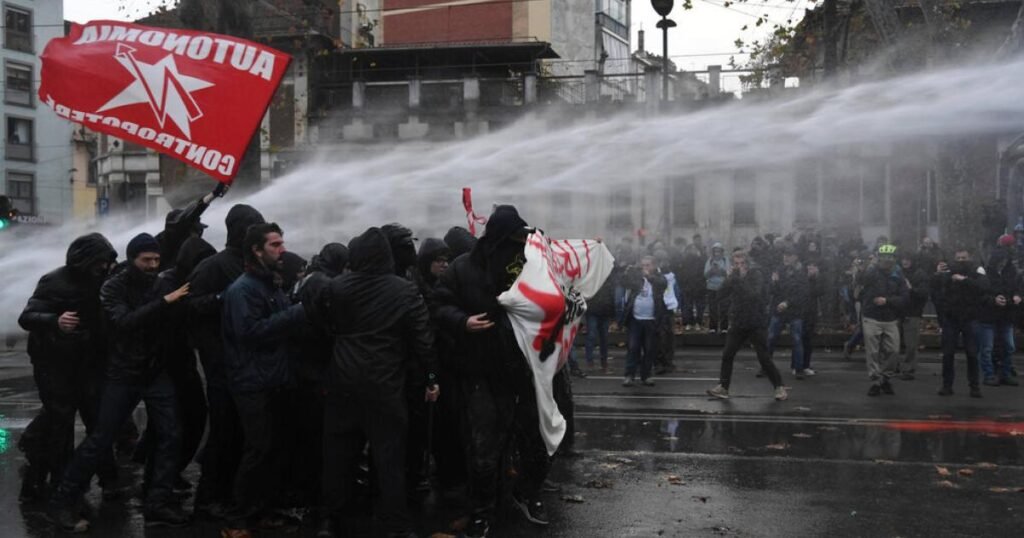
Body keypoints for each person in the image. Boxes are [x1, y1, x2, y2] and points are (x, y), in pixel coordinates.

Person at [50, 233, 191, 531]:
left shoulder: (163, 283)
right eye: (146, 260)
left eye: (156, 259)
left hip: (155, 372)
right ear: (132, 259)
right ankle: (64, 500)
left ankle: (158, 502)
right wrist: (165, 302)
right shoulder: (113, 287)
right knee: (101, 438)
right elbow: (124, 323)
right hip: (123, 372)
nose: (152, 265)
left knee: (171, 435)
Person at [431, 205, 552, 537]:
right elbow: (438, 305)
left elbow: (557, 302)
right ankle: (482, 511)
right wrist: (463, 321)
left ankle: (527, 495)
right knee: (483, 448)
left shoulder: (531, 265)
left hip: (526, 372)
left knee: (534, 443)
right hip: (482, 371)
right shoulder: (463, 268)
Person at [312, 228, 439, 538]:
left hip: (342, 383)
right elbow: (424, 343)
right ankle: (396, 525)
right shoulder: (405, 291)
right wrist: (431, 379)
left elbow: (318, 322)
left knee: (338, 457)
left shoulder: (335, 288)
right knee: (389, 458)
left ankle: (330, 521)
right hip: (385, 386)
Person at [220, 223, 307, 537]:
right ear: (257, 250)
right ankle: (236, 519)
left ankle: (263, 511)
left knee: (273, 449)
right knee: (258, 450)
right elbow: (251, 333)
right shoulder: (243, 290)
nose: (282, 249)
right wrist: (298, 313)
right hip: (252, 382)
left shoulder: (270, 285)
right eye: (275, 244)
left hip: (273, 379)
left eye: (282, 243)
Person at [17, 234, 118, 503]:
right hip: (54, 364)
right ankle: (58, 482)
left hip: (88, 362)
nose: (104, 267)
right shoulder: (54, 281)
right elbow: (27, 317)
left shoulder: (103, 280)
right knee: (61, 423)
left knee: (97, 421)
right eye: (100, 262)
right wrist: (55, 320)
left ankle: (109, 480)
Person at [187, 204, 265, 518]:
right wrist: (222, 299)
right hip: (220, 362)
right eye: (251, 227)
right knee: (223, 429)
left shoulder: (252, 264)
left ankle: (232, 491)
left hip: (247, 363)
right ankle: (207, 498)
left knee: (240, 431)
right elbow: (191, 307)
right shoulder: (213, 266)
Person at [706, 251, 787, 401]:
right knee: (727, 354)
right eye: (736, 264)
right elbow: (720, 295)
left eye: (742, 263)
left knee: (763, 356)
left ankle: (779, 386)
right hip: (738, 321)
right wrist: (729, 280)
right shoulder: (735, 278)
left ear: (747, 264)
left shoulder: (755, 275)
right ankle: (723, 387)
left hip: (755, 321)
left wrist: (738, 280)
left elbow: (753, 295)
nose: (739, 266)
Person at [932, 248, 985, 397]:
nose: (961, 261)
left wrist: (965, 280)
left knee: (972, 354)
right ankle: (947, 385)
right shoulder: (948, 273)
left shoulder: (976, 271)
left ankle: (974, 386)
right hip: (951, 318)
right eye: (958, 258)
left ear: (970, 258)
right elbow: (935, 289)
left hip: (970, 317)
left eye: (964, 258)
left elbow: (984, 287)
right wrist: (937, 274)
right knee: (948, 354)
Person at [859, 244, 909, 397]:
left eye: (889, 257)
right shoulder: (872, 272)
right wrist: (867, 266)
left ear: (894, 259)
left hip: (890, 318)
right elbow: (861, 282)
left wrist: (887, 301)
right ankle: (875, 381)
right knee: (872, 352)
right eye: (883, 257)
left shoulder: (898, 276)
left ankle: (885, 378)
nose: (885, 261)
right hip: (871, 317)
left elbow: (905, 298)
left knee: (893, 351)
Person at [156, 182, 227, 270]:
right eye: (195, 230)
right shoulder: (171, 238)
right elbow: (188, 215)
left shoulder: (194, 250)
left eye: (199, 231)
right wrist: (213, 194)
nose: (198, 234)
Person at [620, 256, 667, 387]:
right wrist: (627, 271)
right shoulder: (637, 277)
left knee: (649, 349)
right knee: (633, 348)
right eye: (643, 265)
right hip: (635, 319)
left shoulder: (659, 277)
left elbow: (662, 284)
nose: (645, 268)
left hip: (651, 319)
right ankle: (629, 375)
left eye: (648, 265)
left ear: (653, 266)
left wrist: (649, 277)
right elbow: (624, 282)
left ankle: (646, 376)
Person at [977, 243, 1019, 387]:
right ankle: (989, 374)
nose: (1003, 263)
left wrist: (1017, 296)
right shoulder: (985, 274)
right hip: (989, 315)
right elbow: (980, 294)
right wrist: (993, 299)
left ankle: (1004, 374)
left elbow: (1017, 288)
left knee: (1008, 346)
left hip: (1005, 314)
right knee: (987, 347)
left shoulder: (1011, 272)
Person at [766, 246, 811, 378]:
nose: (785, 257)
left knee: (797, 339)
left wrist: (787, 303)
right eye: (785, 254)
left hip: (794, 310)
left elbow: (802, 293)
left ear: (795, 257)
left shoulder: (801, 272)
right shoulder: (779, 270)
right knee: (771, 337)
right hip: (779, 310)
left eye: (789, 255)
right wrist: (773, 283)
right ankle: (766, 366)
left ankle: (798, 368)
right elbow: (773, 291)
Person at [898, 253, 930, 380]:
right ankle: (897, 366)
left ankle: (908, 369)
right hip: (899, 311)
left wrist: (911, 289)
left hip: (912, 312)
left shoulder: (920, 275)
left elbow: (923, 293)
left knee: (911, 344)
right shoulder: (899, 273)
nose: (905, 262)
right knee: (895, 343)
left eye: (908, 259)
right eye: (904, 259)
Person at [584, 267, 616, 373]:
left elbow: (612, 297)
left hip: (600, 311)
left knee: (600, 338)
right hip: (596, 311)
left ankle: (597, 362)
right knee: (595, 337)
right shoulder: (607, 280)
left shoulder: (600, 279)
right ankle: (595, 362)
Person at [678, 244, 707, 330]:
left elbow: (704, 273)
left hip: (698, 287)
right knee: (688, 306)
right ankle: (689, 322)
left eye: (695, 249)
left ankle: (698, 322)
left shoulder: (701, 260)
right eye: (691, 249)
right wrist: (684, 284)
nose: (693, 251)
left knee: (699, 306)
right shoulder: (684, 261)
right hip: (688, 286)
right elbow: (681, 274)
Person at [704, 243, 730, 334]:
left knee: (724, 308)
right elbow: (705, 274)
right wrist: (712, 270)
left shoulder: (725, 260)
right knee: (712, 309)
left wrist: (720, 270)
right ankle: (713, 327)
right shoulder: (709, 261)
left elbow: (728, 273)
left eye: (719, 251)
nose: (717, 253)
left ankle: (724, 327)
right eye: (715, 251)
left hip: (723, 288)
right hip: (711, 288)